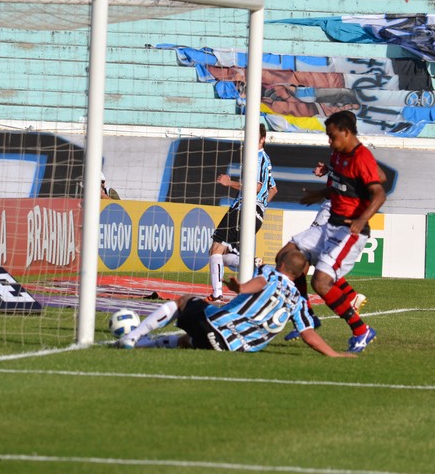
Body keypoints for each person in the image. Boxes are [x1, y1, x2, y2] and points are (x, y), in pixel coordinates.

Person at [276, 110, 386, 353]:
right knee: (286, 255)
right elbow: (338, 186)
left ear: (346, 133)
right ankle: (306, 315)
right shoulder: (338, 155)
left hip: (349, 230)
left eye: (332, 136)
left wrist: (362, 218)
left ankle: (361, 330)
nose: (329, 141)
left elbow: (379, 192)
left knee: (321, 282)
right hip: (330, 224)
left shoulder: (362, 157)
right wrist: (318, 194)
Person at [117, 249, 356, 357]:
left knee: (184, 301)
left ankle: (132, 337)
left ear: (282, 265)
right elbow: (308, 334)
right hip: (234, 348)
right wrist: (334, 354)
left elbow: (260, 282)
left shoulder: (270, 273)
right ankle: (145, 346)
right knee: (188, 341)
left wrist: (241, 288)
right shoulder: (299, 302)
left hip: (216, 328)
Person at [207, 124, 277, 302]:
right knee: (222, 253)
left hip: (242, 210)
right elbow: (273, 189)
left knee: (216, 249)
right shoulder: (266, 160)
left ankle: (217, 294)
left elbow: (256, 187)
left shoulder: (258, 158)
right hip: (254, 214)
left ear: (262, 139)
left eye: (254, 136)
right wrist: (261, 208)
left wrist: (229, 183)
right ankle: (252, 264)